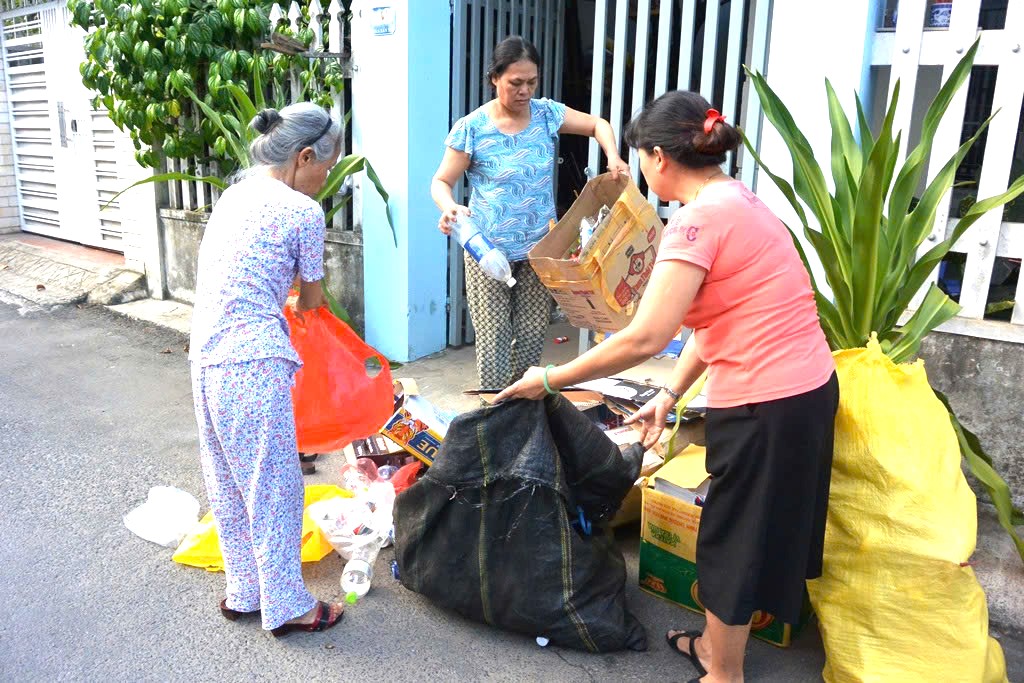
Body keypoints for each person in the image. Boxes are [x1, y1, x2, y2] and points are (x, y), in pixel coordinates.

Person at [496, 91, 839, 683]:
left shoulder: (696, 222)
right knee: (765, 525)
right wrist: (669, 395)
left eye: (640, 157)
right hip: (807, 392)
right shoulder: (741, 201)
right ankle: (716, 645)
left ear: (658, 156)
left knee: (732, 537)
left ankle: (722, 672)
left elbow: (644, 338)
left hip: (764, 403)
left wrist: (547, 377)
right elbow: (717, 319)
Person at [189, 103, 346, 637]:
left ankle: (245, 592)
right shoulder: (301, 212)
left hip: (205, 354)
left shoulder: (234, 195)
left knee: (228, 479)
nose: (324, 180)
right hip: (253, 358)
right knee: (275, 485)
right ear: (304, 157)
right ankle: (287, 606)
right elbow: (310, 303)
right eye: (325, 169)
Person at [431, 35, 630, 390]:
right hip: (486, 250)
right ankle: (491, 412)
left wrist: (612, 156)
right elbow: (441, 182)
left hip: (540, 250)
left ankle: (523, 408)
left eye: (532, 82)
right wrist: (449, 207)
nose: (525, 91)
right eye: (515, 83)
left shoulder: (547, 114)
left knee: (531, 334)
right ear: (494, 78)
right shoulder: (472, 128)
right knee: (493, 338)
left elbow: (598, 125)